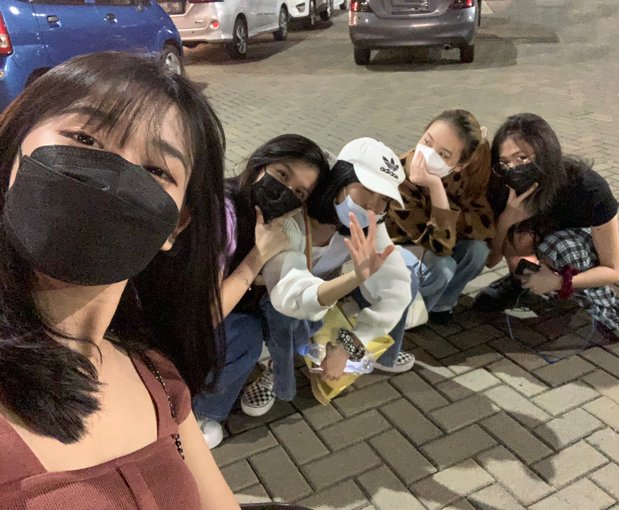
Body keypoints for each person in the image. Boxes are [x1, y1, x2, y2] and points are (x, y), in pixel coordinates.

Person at [0, 53, 240, 509]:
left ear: (175, 226)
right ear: (15, 154)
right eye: (84, 138)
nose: (115, 179)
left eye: (156, 171)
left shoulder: (156, 376)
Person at [239, 137, 416, 417]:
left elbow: (398, 290)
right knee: (283, 317)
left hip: (322, 295)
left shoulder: (371, 223)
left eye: (383, 198)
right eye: (367, 190)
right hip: (267, 294)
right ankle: (277, 371)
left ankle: (362, 353)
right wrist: (355, 278)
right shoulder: (296, 210)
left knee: (408, 276)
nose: (372, 206)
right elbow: (287, 294)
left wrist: (350, 346)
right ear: (342, 179)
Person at [191, 134, 331, 448]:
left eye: (299, 192)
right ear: (261, 162)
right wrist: (259, 256)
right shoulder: (224, 212)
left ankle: (270, 369)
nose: (285, 191)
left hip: (240, 302)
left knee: (294, 317)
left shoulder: (282, 222)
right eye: (282, 174)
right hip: (189, 315)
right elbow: (206, 314)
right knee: (245, 338)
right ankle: (194, 411)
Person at [474, 113, 619, 341]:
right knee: (517, 234)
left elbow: (613, 269)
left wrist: (559, 282)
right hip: (542, 242)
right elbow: (491, 260)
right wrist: (507, 219)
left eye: (522, 158)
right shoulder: (505, 187)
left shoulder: (588, 187)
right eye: (505, 162)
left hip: (582, 249)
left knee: (562, 245)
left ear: (546, 153)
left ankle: (605, 305)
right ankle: (520, 282)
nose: (513, 168)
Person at [386, 109, 495, 323]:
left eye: (443, 154)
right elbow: (439, 247)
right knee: (441, 267)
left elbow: (484, 224)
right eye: (427, 141)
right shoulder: (400, 175)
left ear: (460, 165)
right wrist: (436, 188)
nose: (428, 154)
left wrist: (446, 213)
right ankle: (411, 315)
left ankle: (441, 304)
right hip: (397, 247)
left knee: (477, 251)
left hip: (434, 243)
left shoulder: (460, 176)